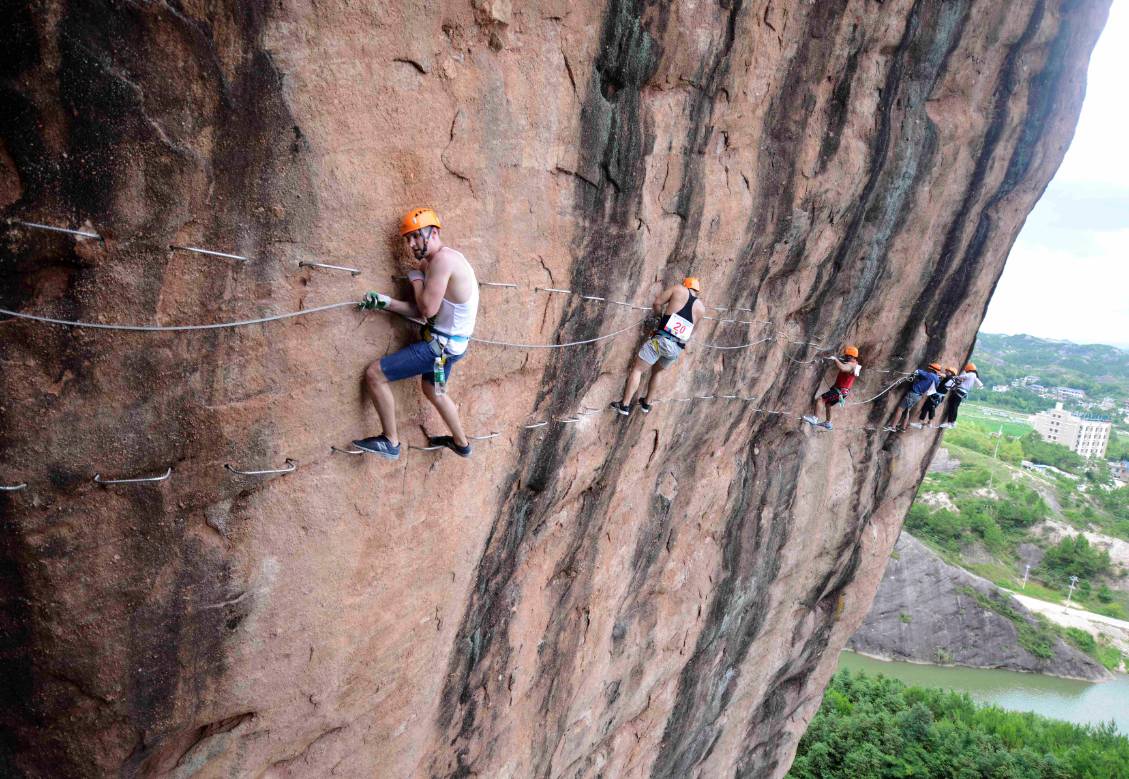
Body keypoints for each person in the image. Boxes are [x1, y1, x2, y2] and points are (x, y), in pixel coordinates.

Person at [353, 207, 478, 460]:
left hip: (438, 350)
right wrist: (385, 302)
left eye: (414, 236)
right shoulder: (438, 261)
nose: (410, 244)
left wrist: (416, 281)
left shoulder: (443, 262)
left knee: (374, 374)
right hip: (450, 349)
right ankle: (462, 444)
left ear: (432, 233)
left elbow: (426, 309)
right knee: (435, 391)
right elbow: (421, 312)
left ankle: (390, 441)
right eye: (407, 239)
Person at [610, 277, 705, 416]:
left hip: (661, 339)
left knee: (637, 369)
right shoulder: (701, 309)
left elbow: (657, 303)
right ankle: (647, 403)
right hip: (676, 347)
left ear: (686, 285)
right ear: (697, 290)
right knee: (658, 372)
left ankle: (624, 405)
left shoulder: (678, 289)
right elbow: (692, 332)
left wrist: (659, 317)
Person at [802, 345, 861, 431]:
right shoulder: (856, 365)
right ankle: (828, 423)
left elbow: (843, 368)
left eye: (846, 356)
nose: (845, 357)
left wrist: (835, 359)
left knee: (820, 399)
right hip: (842, 392)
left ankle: (814, 419)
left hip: (839, 391)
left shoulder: (851, 365)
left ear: (851, 356)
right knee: (828, 404)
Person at [887, 362, 941, 432]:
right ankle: (903, 427)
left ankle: (893, 426)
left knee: (900, 409)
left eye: (930, 369)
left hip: (913, 393)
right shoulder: (937, 379)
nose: (928, 369)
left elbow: (918, 371)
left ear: (932, 370)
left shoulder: (930, 375)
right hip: (918, 396)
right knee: (908, 410)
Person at [940, 362, 983, 428]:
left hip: (959, 391)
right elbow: (979, 384)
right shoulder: (974, 375)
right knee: (955, 407)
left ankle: (949, 423)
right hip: (963, 393)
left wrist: (954, 377)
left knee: (952, 407)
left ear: (969, 369)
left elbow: (961, 377)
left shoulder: (970, 374)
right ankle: (953, 422)